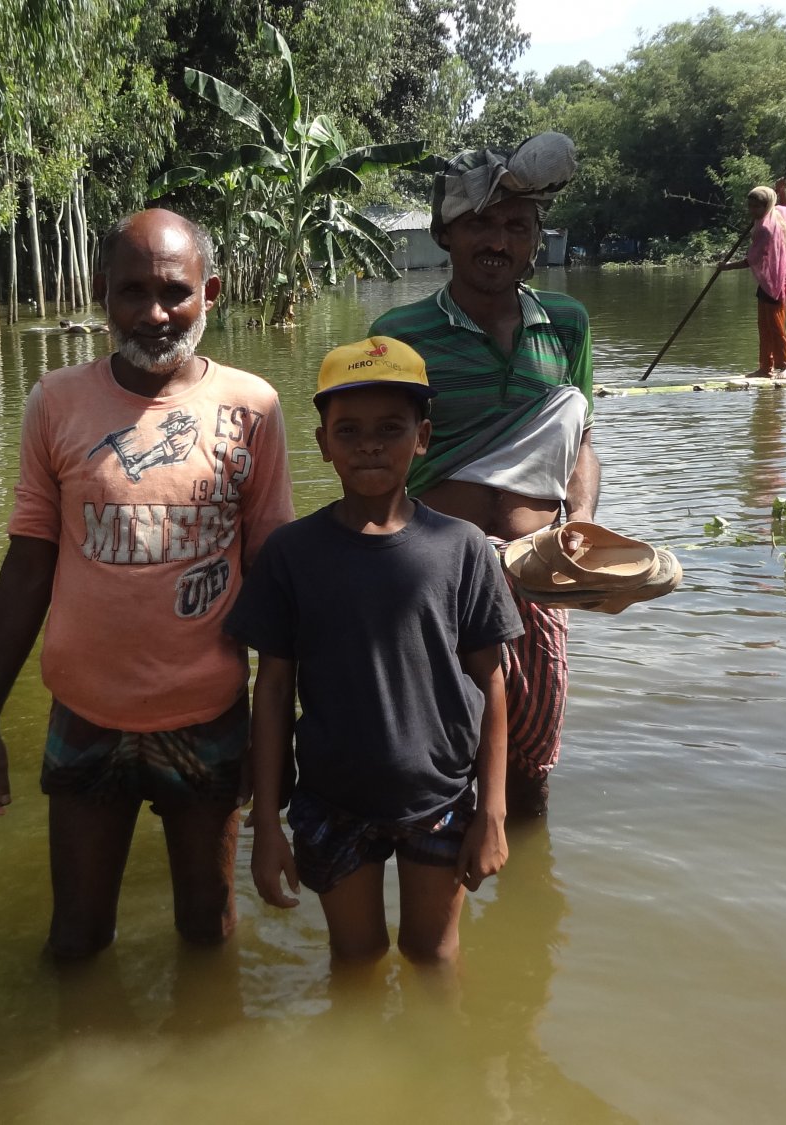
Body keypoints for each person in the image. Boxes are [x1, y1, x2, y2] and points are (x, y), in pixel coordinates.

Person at [0, 208, 293, 959]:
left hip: (208, 713)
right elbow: (29, 561)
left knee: (208, 931)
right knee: (75, 936)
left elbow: (276, 577)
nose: (153, 312)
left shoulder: (255, 407)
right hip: (86, 712)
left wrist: (283, 728)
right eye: (131, 290)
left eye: (173, 291)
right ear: (102, 293)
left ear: (210, 292)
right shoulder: (56, 401)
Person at [227, 337, 519, 964]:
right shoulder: (291, 554)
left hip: (439, 797)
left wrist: (492, 811)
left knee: (434, 956)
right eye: (349, 429)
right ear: (322, 442)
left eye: (391, 428)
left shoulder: (462, 547)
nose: (369, 444)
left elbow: (492, 683)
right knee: (354, 958)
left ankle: (444, 1066)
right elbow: (272, 689)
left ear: (423, 437)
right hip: (331, 798)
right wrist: (268, 825)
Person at [371, 131, 597, 820]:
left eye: (515, 226)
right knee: (436, 763)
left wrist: (581, 527)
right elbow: (376, 463)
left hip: (538, 575)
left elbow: (582, 440)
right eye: (480, 224)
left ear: (536, 240)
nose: (497, 241)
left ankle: (526, 903)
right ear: (447, 234)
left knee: (531, 766)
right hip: (438, 577)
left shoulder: (566, 326)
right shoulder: (399, 333)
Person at [721, 178, 786, 378]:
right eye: (750, 206)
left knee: (775, 325)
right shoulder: (776, 213)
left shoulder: (765, 228)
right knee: (763, 326)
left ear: (766, 205)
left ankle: (784, 367)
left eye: (756, 207)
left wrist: (725, 268)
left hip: (777, 283)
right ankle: (765, 367)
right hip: (767, 282)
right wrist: (782, 190)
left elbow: (751, 260)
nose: (752, 211)